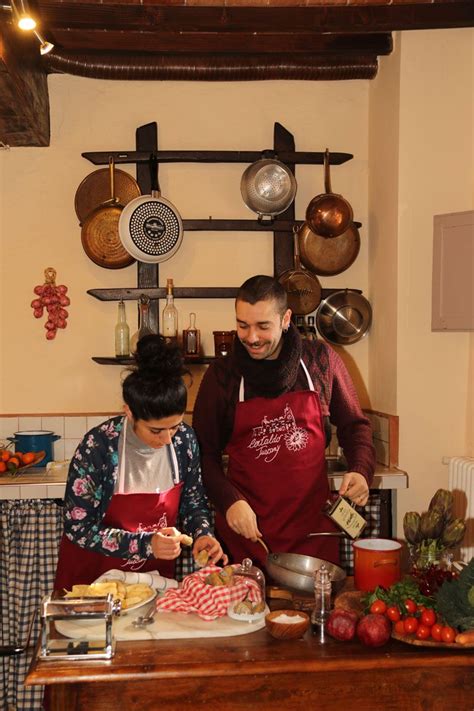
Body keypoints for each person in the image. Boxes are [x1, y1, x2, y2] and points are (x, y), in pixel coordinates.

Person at [193, 275, 375, 569]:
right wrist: (229, 501)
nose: (251, 337)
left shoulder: (320, 361)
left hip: (312, 535)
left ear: (286, 318)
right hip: (245, 534)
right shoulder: (222, 376)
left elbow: (355, 426)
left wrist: (361, 469)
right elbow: (202, 453)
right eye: (243, 325)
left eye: (263, 326)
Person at [54, 335, 225, 592]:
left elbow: (193, 504)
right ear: (129, 412)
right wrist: (145, 545)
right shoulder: (98, 447)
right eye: (156, 431)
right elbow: (78, 528)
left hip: (151, 580)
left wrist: (202, 533)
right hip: (92, 583)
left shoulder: (185, 441)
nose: (167, 439)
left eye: (174, 427)